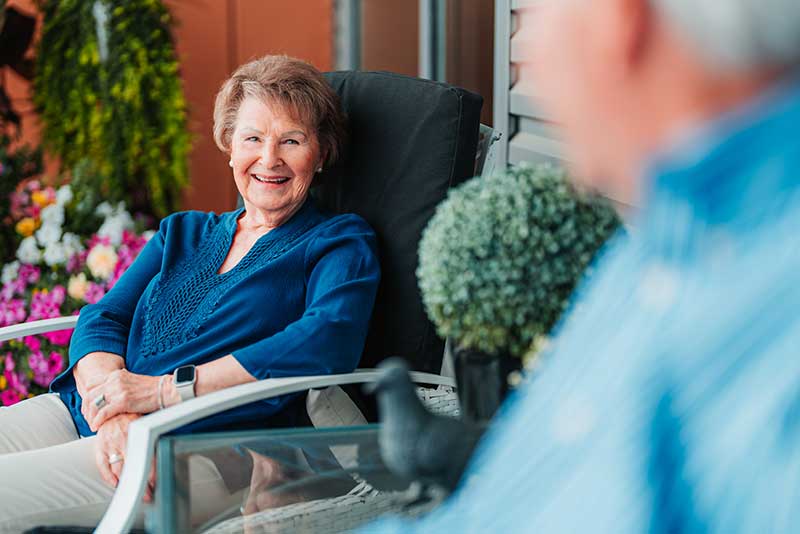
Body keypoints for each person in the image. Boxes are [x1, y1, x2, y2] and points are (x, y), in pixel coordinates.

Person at [363, 0, 800, 532]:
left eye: (537, 17)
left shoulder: (774, 344)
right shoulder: (646, 260)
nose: (524, 66)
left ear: (617, 20)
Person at [0, 54, 380, 532]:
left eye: (292, 141)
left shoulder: (339, 240)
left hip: (192, 446)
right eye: (253, 138)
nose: (269, 159)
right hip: (91, 413)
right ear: (228, 146)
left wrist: (159, 393)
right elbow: (104, 318)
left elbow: (327, 338)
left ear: (321, 154)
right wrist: (112, 410)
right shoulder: (183, 232)